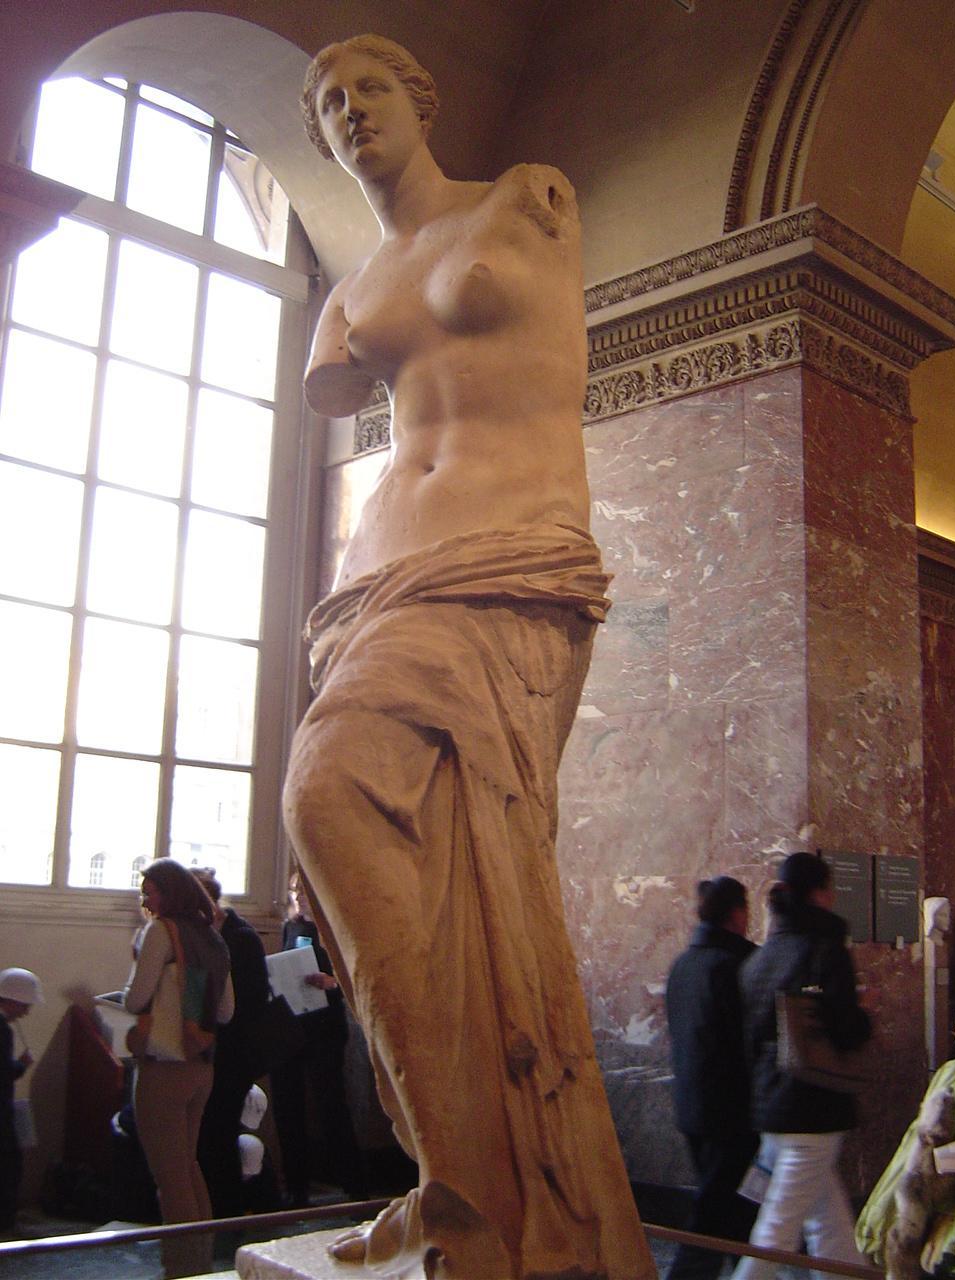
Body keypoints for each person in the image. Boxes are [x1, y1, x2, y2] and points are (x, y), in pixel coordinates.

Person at [282, 32, 653, 1280]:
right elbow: (345, 398)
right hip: (383, 575)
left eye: (370, 88)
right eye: (329, 103)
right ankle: (462, 1183)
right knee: (370, 838)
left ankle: (477, 1192)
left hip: (513, 561)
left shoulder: (525, 200)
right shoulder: (349, 296)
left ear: (422, 100)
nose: (350, 111)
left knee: (333, 793)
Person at [731, 852, 872, 1280]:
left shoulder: (760, 958)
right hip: (813, 1107)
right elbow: (845, 1029)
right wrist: (864, 1013)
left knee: (828, 1223)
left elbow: (751, 1038)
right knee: (777, 1229)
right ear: (821, 893)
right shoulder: (824, 950)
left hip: (772, 1106)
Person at [124, 858, 233, 1280]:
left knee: (170, 1179)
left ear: (170, 893)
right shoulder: (211, 936)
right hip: (200, 1063)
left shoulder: (161, 931)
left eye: (150, 891)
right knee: (188, 1167)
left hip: (164, 1064)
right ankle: (202, 1264)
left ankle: (182, 1270)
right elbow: (225, 1011)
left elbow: (136, 999)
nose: (145, 899)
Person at [665, 877, 757, 1280]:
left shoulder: (683, 965)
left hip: (691, 1106)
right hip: (731, 1112)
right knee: (713, 1214)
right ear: (737, 914)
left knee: (733, 1211)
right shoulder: (739, 965)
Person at [269, 876, 367, 1206]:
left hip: (325, 1028)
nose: (298, 897)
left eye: (303, 891)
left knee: (331, 1106)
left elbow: (355, 973)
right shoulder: (291, 927)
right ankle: (296, 1188)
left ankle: (355, 1187)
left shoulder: (335, 926)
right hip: (292, 1026)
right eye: (294, 891)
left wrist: (332, 981)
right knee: (288, 1107)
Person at [190, 868, 271, 1220]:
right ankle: (214, 1210)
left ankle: (228, 1215)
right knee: (208, 1134)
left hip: (234, 1054)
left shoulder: (241, 938)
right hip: (212, 1051)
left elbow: (250, 1003)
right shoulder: (205, 936)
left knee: (220, 1134)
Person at [0, 967, 42, 1234]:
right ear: (12, 1000)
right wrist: (22, 1065)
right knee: (8, 1167)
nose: (26, 1012)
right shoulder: (2, 1030)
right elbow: (3, 1072)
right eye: (25, 1005)